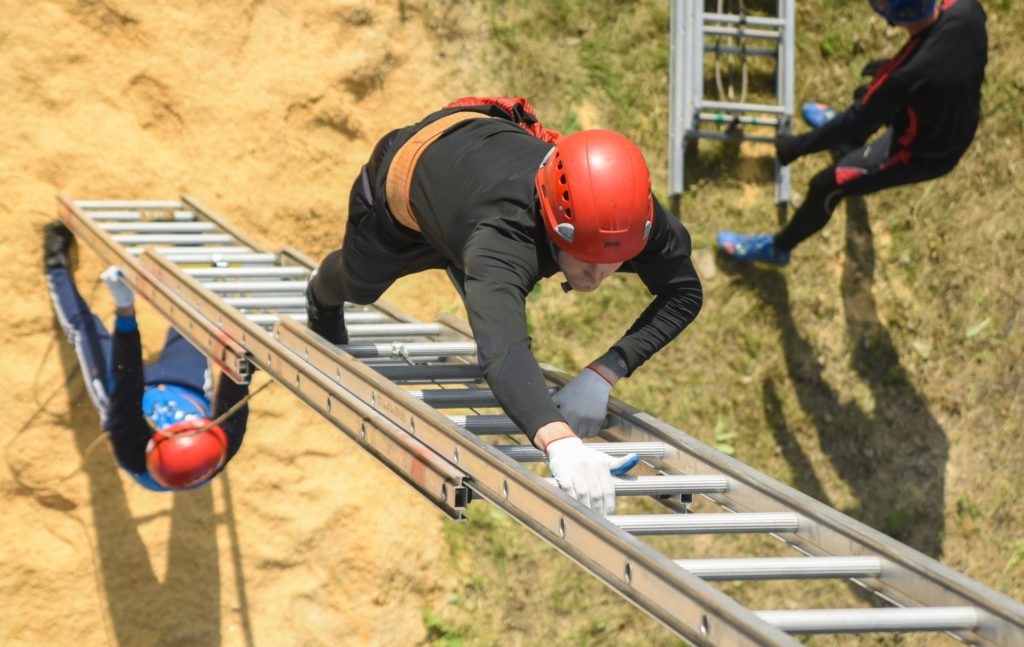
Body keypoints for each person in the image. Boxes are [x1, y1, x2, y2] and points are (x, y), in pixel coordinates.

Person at [305, 97, 703, 514]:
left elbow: (684, 293)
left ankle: (466, 268)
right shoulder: (503, 238)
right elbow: (503, 352)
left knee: (491, 278)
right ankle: (320, 292)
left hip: (475, 186)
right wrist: (560, 442)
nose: (597, 277)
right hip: (402, 195)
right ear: (553, 225)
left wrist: (606, 372)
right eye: (585, 261)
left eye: (614, 262)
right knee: (359, 283)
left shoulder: (624, 216)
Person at [716, 0, 988, 266]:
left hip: (920, 153)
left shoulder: (900, 79)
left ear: (892, 18)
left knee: (826, 185)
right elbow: (940, 58)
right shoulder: (968, 9)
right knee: (869, 95)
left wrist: (797, 146)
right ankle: (848, 145)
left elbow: (856, 119)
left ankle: (778, 248)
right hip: (950, 118)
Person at [43, 221, 250, 491]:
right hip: (186, 386)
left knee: (84, 330)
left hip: (124, 395)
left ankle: (55, 266)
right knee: (194, 319)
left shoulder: (132, 450)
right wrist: (237, 350)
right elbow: (237, 377)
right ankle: (190, 247)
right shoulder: (222, 443)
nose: (179, 422)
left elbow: (126, 381)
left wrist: (125, 310)